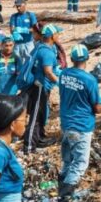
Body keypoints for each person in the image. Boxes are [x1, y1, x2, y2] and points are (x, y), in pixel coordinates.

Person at [56, 45, 101, 202]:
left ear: (72, 59)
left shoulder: (64, 74)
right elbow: (97, 107)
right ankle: (64, 201)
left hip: (67, 123)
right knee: (80, 163)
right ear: (87, 59)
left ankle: (61, 192)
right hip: (81, 126)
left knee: (67, 161)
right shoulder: (89, 80)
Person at [24, 24, 62, 154]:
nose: (58, 36)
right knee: (35, 116)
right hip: (40, 87)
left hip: (38, 85)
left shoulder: (39, 47)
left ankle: (39, 138)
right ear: (52, 36)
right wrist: (60, 83)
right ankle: (29, 146)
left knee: (40, 114)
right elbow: (48, 72)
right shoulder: (46, 52)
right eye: (57, 34)